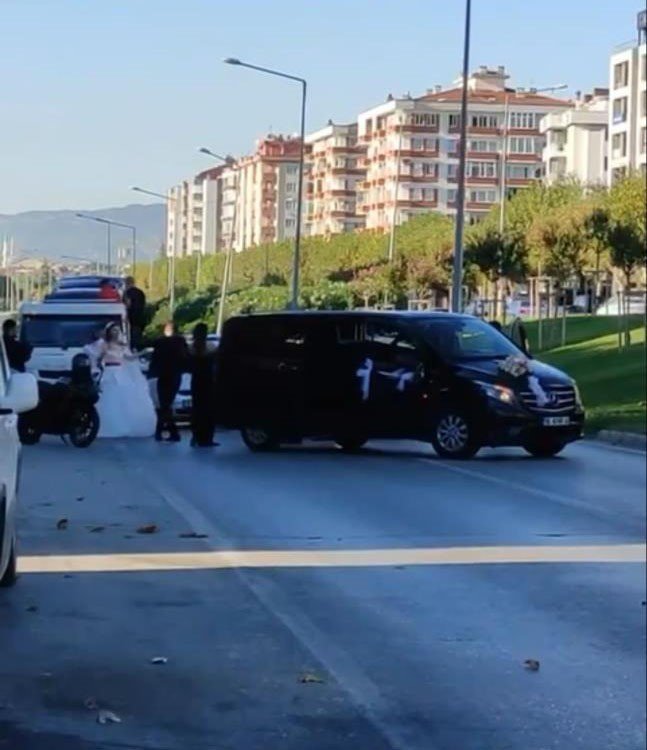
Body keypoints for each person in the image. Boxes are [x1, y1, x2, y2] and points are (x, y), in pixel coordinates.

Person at [94, 323, 157, 438]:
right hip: (108, 373)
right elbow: (98, 358)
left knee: (122, 397)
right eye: (113, 330)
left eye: (117, 330)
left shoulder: (122, 346)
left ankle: (124, 424)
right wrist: (100, 365)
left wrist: (142, 352)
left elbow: (129, 358)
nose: (116, 333)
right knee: (107, 397)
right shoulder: (105, 345)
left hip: (119, 372)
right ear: (109, 332)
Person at [149, 321, 188, 442]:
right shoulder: (176, 342)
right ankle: (165, 432)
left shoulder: (166, 342)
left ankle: (163, 431)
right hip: (170, 375)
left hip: (168, 375)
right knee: (165, 405)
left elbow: (155, 358)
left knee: (165, 404)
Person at [188, 323, 218, 448]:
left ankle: (196, 436)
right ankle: (206, 438)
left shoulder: (191, 348)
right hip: (208, 381)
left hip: (197, 381)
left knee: (197, 409)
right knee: (208, 410)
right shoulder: (211, 347)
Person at [123, 276, 146, 351]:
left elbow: (128, 304)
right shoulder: (140, 292)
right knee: (138, 338)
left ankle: (133, 349)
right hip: (140, 319)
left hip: (130, 319)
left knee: (131, 339)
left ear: (127, 283)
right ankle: (138, 351)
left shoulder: (127, 293)